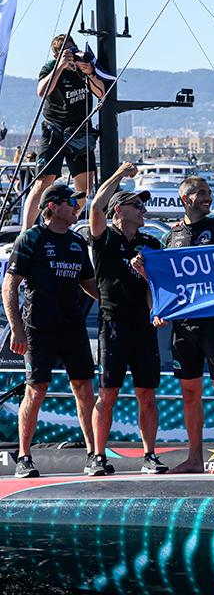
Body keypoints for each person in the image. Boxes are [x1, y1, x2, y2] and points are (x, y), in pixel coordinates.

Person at [4, 184, 99, 478]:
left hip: (71, 327)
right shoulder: (30, 239)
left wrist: (121, 301)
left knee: (84, 389)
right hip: (38, 328)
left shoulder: (76, 242)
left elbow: (89, 284)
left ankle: (94, 455)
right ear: (53, 207)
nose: (76, 208)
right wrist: (16, 330)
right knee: (36, 389)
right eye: (71, 202)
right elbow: (10, 284)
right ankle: (24, 457)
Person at [87, 164, 167, 476]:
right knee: (107, 394)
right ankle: (96, 455)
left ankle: (150, 455)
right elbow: (95, 206)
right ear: (120, 209)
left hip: (143, 328)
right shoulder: (106, 239)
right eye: (138, 205)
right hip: (114, 326)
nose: (143, 209)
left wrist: (156, 308)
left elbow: (157, 287)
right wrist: (119, 173)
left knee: (147, 394)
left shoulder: (150, 244)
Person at [163, 177, 214, 474]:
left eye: (209, 193)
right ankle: (194, 457)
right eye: (201, 193)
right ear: (185, 199)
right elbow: (167, 279)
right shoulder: (173, 236)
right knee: (189, 393)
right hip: (183, 325)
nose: (208, 198)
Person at [23, 35, 106, 231]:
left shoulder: (85, 66)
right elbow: (42, 92)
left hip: (80, 131)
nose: (72, 55)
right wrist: (60, 67)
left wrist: (91, 73)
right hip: (54, 129)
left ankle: (65, 221)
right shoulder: (50, 68)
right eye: (67, 52)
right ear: (56, 55)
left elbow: (101, 94)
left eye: (73, 49)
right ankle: (25, 232)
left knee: (84, 188)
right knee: (43, 181)